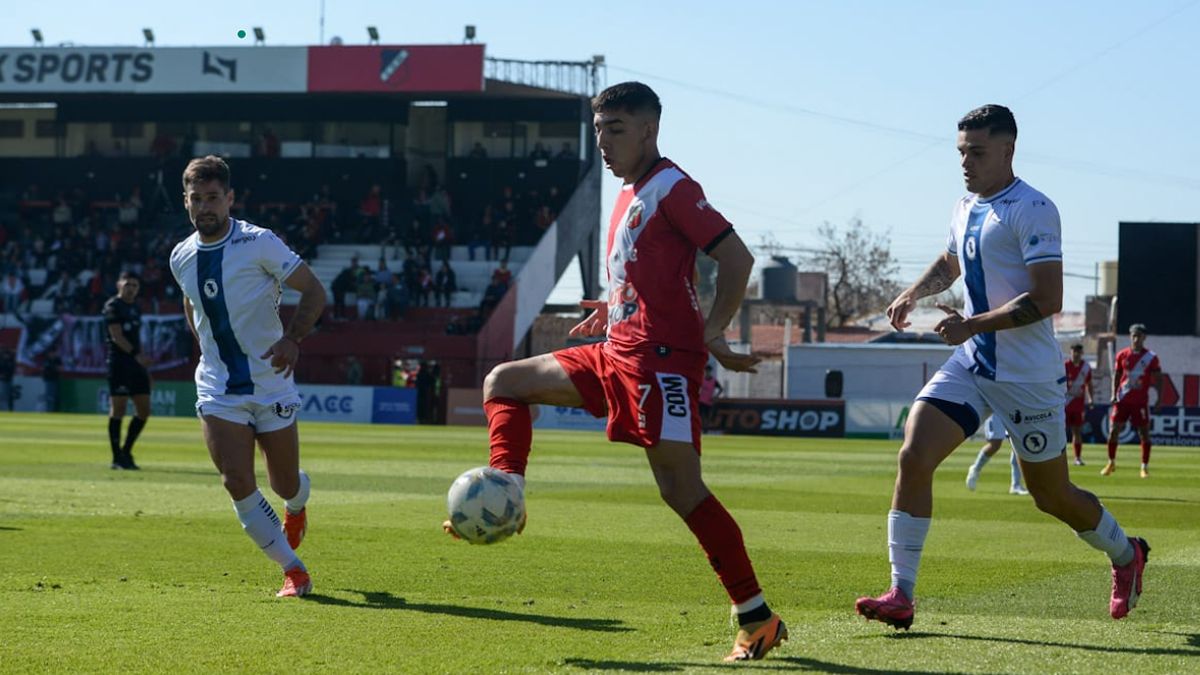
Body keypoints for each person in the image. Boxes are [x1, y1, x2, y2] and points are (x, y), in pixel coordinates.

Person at [441, 82, 785, 662]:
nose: (603, 141)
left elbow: (736, 258)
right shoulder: (630, 192)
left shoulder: (674, 188)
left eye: (616, 129)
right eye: (599, 129)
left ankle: (756, 618)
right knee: (505, 381)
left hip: (662, 362)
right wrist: (616, 301)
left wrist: (713, 331)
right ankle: (510, 493)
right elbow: (650, 268)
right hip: (616, 347)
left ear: (649, 130)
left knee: (681, 490)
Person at [855, 105, 1149, 631]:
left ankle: (1128, 554)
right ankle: (901, 593)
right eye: (961, 152)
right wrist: (913, 291)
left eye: (977, 152)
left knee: (1051, 496)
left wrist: (972, 325)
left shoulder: (1033, 208)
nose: (966, 162)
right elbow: (952, 261)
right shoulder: (964, 205)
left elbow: (1049, 298)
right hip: (973, 363)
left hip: (1029, 376)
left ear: (1008, 150)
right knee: (914, 455)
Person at [169, 155, 327, 598]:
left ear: (230, 198)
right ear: (186, 201)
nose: (205, 208)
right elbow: (191, 302)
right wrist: (207, 350)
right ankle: (293, 570)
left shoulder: (260, 243)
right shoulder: (181, 256)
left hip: (271, 380)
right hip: (218, 386)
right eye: (196, 199)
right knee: (236, 480)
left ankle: (296, 503)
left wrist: (294, 339)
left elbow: (313, 290)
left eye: (213, 198)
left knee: (284, 483)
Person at [103, 271, 153, 470]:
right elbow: (116, 336)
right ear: (119, 285)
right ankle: (117, 458)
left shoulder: (136, 308)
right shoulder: (112, 307)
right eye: (127, 284)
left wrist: (144, 367)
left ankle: (126, 451)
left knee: (144, 410)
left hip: (135, 364)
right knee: (119, 409)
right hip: (120, 363)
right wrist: (136, 355)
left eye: (134, 285)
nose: (131, 288)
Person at [1104, 324, 1161, 478]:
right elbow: (1116, 376)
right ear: (1130, 337)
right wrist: (1113, 394)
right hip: (1122, 400)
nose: (1136, 339)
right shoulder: (1122, 355)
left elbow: (1159, 379)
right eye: (1133, 336)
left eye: (1139, 336)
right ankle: (1111, 462)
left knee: (1144, 434)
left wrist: (1159, 399)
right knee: (1113, 431)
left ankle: (1144, 467)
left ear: (1144, 338)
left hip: (1140, 402)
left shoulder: (1151, 357)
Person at [964, 415, 1027, 495]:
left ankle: (1015, 485)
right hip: (995, 411)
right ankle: (976, 468)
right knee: (995, 444)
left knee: (1017, 443)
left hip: (1012, 410)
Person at [1065, 343, 1093, 466]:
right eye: (1074, 351)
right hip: (1064, 404)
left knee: (1077, 431)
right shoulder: (1064, 366)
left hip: (1078, 405)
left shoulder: (1086, 367)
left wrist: (1091, 398)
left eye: (1078, 352)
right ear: (1070, 352)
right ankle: (1059, 457)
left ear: (1082, 353)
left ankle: (1077, 457)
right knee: (1061, 431)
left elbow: (1089, 384)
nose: (1076, 354)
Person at [698, 363, 724, 428]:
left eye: (708, 371)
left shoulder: (713, 381)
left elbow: (721, 389)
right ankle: (700, 428)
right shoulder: (702, 379)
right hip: (700, 400)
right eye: (706, 371)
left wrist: (716, 397)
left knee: (707, 416)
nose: (707, 372)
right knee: (699, 416)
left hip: (708, 401)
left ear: (710, 371)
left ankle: (706, 429)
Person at [41, 348, 61, 412]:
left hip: (54, 379)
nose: (51, 354)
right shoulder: (46, 360)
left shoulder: (57, 360)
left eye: (52, 353)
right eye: (50, 353)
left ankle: (52, 410)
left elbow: (60, 369)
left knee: (53, 396)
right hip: (47, 379)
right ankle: (48, 410)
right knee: (48, 396)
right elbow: (43, 369)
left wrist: (53, 368)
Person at [0, 347, 14, 411]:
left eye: (7, 355)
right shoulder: (2, 361)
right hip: (2, 380)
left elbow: (11, 371)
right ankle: (4, 409)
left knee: (6, 396)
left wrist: (5, 375)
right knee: (3, 396)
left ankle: (6, 409)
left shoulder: (10, 362)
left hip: (7, 380)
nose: (6, 356)